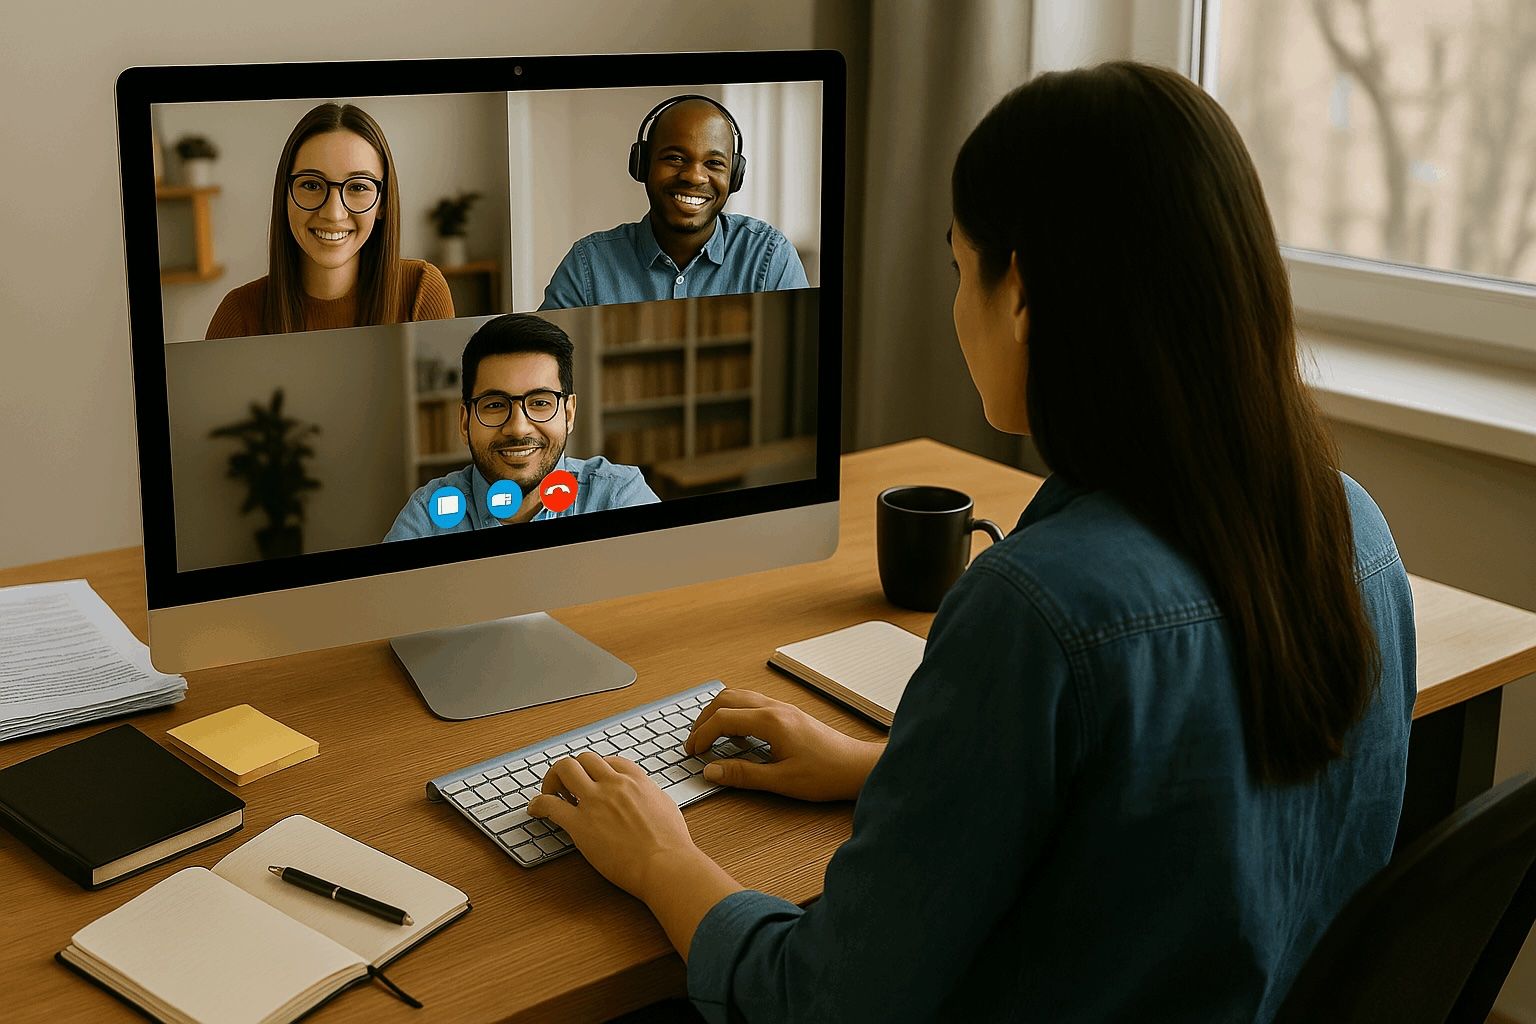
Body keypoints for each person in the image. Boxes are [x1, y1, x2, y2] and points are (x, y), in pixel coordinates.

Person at [524, 62, 1417, 1022]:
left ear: (1021, 292)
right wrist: (883, 768)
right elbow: (1165, 813)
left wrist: (660, 855)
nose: (956, 309)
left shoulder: (1037, 608)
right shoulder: (1355, 525)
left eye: (961, 268)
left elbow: (816, 1002)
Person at [385, 313, 657, 540]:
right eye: (494, 405)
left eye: (539, 402)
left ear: (569, 414)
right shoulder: (427, 518)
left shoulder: (617, 497)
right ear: (465, 422)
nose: (518, 428)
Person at [206, 103, 453, 339]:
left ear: (383, 203)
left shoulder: (421, 290)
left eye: (357, 187)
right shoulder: (238, 315)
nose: (334, 213)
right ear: (285, 196)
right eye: (311, 185)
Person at [539, 95, 809, 309]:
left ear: (734, 176)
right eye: (675, 158)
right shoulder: (588, 265)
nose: (694, 176)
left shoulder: (770, 256)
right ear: (642, 165)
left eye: (714, 163)